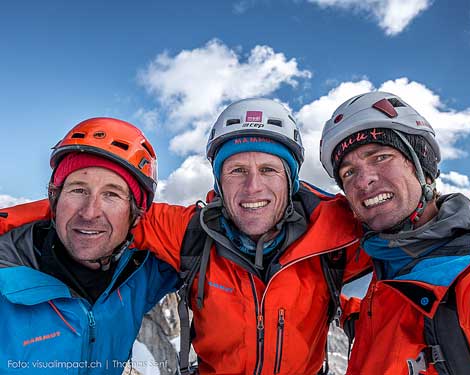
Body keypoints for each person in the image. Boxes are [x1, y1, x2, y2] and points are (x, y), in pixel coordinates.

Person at [0, 99, 373, 375]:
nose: (252, 187)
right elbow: (113, 215)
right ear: (218, 182)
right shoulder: (189, 233)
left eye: (269, 170)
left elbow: (407, 243)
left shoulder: (338, 233)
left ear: (291, 181)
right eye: (237, 169)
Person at [320, 91, 470, 375]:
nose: (364, 180)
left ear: (424, 169)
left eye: (380, 156)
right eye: (349, 173)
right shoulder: (383, 285)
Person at [0, 118, 179, 374]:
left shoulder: (143, 271)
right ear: (54, 199)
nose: (90, 212)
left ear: (136, 215)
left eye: (112, 194)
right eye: (78, 190)